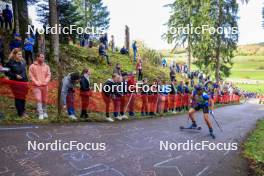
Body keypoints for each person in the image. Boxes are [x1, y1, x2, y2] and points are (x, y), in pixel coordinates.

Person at [5, 48, 28, 118]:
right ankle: (20, 113)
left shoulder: (23, 61)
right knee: (18, 97)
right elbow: (7, 72)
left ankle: (23, 111)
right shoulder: (10, 63)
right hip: (15, 83)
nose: (20, 55)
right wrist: (15, 75)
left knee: (23, 97)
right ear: (14, 55)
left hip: (24, 82)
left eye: (21, 54)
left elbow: (24, 71)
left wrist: (26, 81)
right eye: (19, 54)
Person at [29, 53, 51, 120]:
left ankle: (45, 112)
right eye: (41, 57)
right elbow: (31, 76)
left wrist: (46, 81)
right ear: (37, 57)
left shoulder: (46, 66)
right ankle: (40, 113)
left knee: (45, 99)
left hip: (45, 86)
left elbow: (48, 75)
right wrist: (36, 82)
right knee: (39, 99)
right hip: (36, 86)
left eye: (43, 57)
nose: (42, 58)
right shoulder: (32, 66)